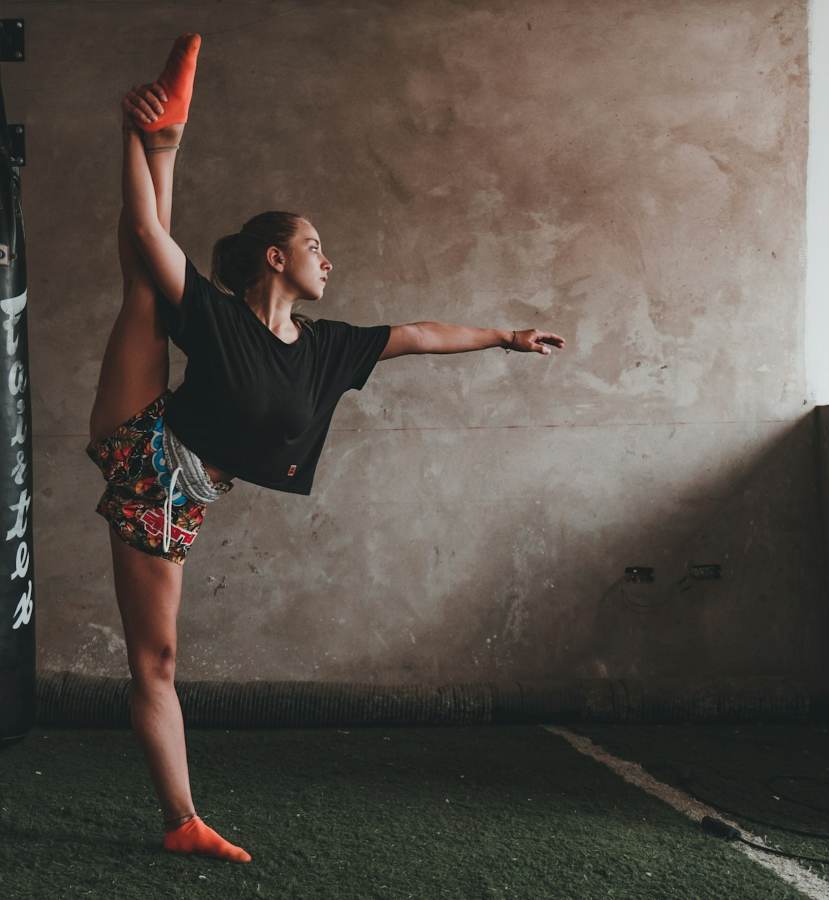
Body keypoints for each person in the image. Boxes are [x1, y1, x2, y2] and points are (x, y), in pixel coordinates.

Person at [85, 34, 566, 864]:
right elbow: (143, 230)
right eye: (314, 247)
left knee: (156, 659)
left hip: (186, 485)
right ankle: (162, 133)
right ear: (276, 258)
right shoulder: (223, 317)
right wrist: (129, 138)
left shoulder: (328, 347)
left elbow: (417, 333)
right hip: (149, 466)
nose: (328, 259)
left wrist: (502, 335)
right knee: (145, 274)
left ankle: (166, 135)